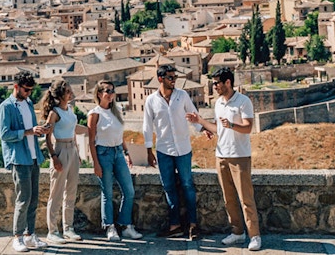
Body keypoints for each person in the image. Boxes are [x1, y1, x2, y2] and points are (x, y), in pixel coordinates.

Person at [186, 67, 262, 251]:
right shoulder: (218, 103)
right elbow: (219, 129)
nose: (214, 86)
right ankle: (237, 232)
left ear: (228, 82)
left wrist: (233, 125)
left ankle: (255, 236)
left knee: (246, 199)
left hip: (240, 156)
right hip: (221, 155)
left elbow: (248, 128)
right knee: (228, 199)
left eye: (217, 83)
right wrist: (201, 122)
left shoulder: (243, 102)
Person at [143, 64, 201, 240]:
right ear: (160, 79)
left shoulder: (182, 95)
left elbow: (194, 115)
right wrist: (148, 150)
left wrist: (202, 129)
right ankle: (175, 226)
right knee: (169, 188)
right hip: (163, 150)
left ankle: (193, 225)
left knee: (187, 186)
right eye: (170, 77)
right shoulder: (151, 101)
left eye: (174, 77)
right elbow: (147, 126)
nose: (173, 80)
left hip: (183, 149)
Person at [0, 70, 49, 253]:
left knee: (34, 199)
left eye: (31, 90)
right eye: (26, 90)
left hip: (33, 156)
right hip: (19, 159)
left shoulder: (27, 103)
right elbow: (4, 134)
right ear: (16, 87)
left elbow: (31, 129)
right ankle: (17, 237)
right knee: (23, 198)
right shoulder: (6, 107)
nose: (29, 94)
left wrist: (39, 130)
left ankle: (30, 235)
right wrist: (28, 131)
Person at [87, 80, 142, 242]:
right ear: (99, 94)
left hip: (118, 152)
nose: (111, 94)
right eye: (107, 91)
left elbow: (119, 135)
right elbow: (91, 141)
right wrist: (95, 163)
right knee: (107, 193)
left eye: (112, 91)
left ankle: (126, 226)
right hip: (103, 154)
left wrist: (127, 152)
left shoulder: (116, 110)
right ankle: (110, 227)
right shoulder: (94, 113)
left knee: (129, 191)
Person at [42, 78, 87, 245]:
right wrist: (54, 157)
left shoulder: (69, 109)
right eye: (68, 91)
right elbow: (47, 138)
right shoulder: (54, 113)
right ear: (61, 94)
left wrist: (78, 151)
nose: (71, 93)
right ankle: (52, 231)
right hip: (60, 149)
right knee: (56, 193)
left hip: (72, 150)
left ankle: (68, 228)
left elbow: (73, 130)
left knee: (71, 191)